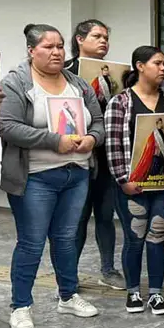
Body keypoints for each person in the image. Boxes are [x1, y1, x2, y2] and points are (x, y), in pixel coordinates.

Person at [0, 23, 105, 328]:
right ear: (32, 51)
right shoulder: (18, 83)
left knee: (67, 239)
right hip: (35, 177)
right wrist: (52, 140)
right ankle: (20, 306)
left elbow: (97, 120)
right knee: (31, 243)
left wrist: (93, 140)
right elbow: (7, 125)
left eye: (60, 46)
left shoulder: (77, 83)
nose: (57, 52)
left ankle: (68, 296)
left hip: (77, 173)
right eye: (48, 46)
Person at [105, 46, 164, 315]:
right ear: (140, 66)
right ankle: (134, 291)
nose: (163, 69)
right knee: (135, 237)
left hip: (162, 185)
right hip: (131, 187)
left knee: (158, 236)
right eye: (157, 63)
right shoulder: (121, 102)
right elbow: (113, 144)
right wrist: (122, 179)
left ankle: (157, 294)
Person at [66, 19, 124, 290]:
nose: (103, 41)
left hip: (108, 154)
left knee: (105, 215)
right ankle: (69, 275)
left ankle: (108, 269)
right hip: (76, 154)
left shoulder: (117, 75)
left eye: (106, 37)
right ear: (80, 39)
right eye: (97, 36)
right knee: (76, 218)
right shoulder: (65, 71)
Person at [130, 117, 164, 182]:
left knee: (163, 165)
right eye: (159, 123)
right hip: (156, 152)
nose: (160, 124)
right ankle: (153, 179)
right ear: (157, 124)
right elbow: (151, 142)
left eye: (161, 123)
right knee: (155, 167)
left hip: (163, 152)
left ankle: (161, 178)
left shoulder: (163, 132)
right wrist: (156, 145)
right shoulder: (154, 133)